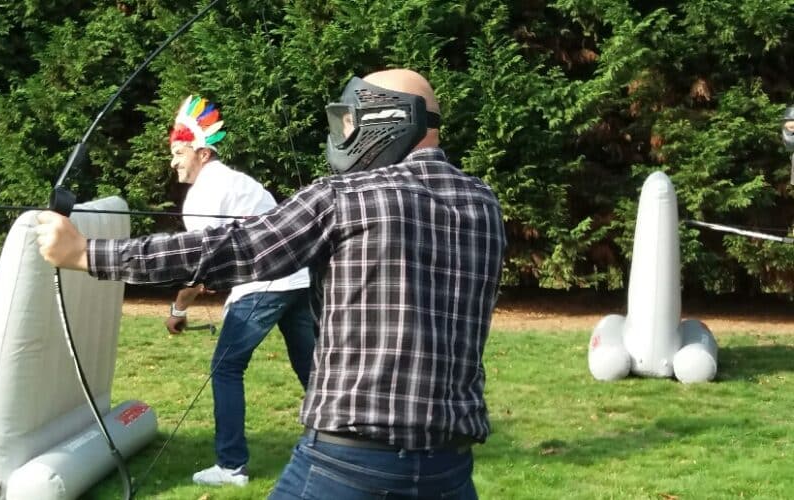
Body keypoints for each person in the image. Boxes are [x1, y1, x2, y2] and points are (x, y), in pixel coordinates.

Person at [35, 69, 507, 499]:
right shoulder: (483, 204)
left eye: (350, 121)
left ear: (387, 120)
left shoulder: (345, 197)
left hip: (347, 465)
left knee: (229, 368)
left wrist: (86, 253)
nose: (343, 133)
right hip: (450, 471)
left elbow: (235, 249)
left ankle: (231, 464)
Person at [160, 95, 316, 487]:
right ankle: (344, 444)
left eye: (179, 153)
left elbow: (198, 268)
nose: (173, 162)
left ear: (202, 153)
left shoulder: (204, 195)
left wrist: (178, 311)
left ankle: (231, 467)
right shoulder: (237, 181)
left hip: (267, 283)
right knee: (311, 367)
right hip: (297, 279)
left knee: (226, 367)